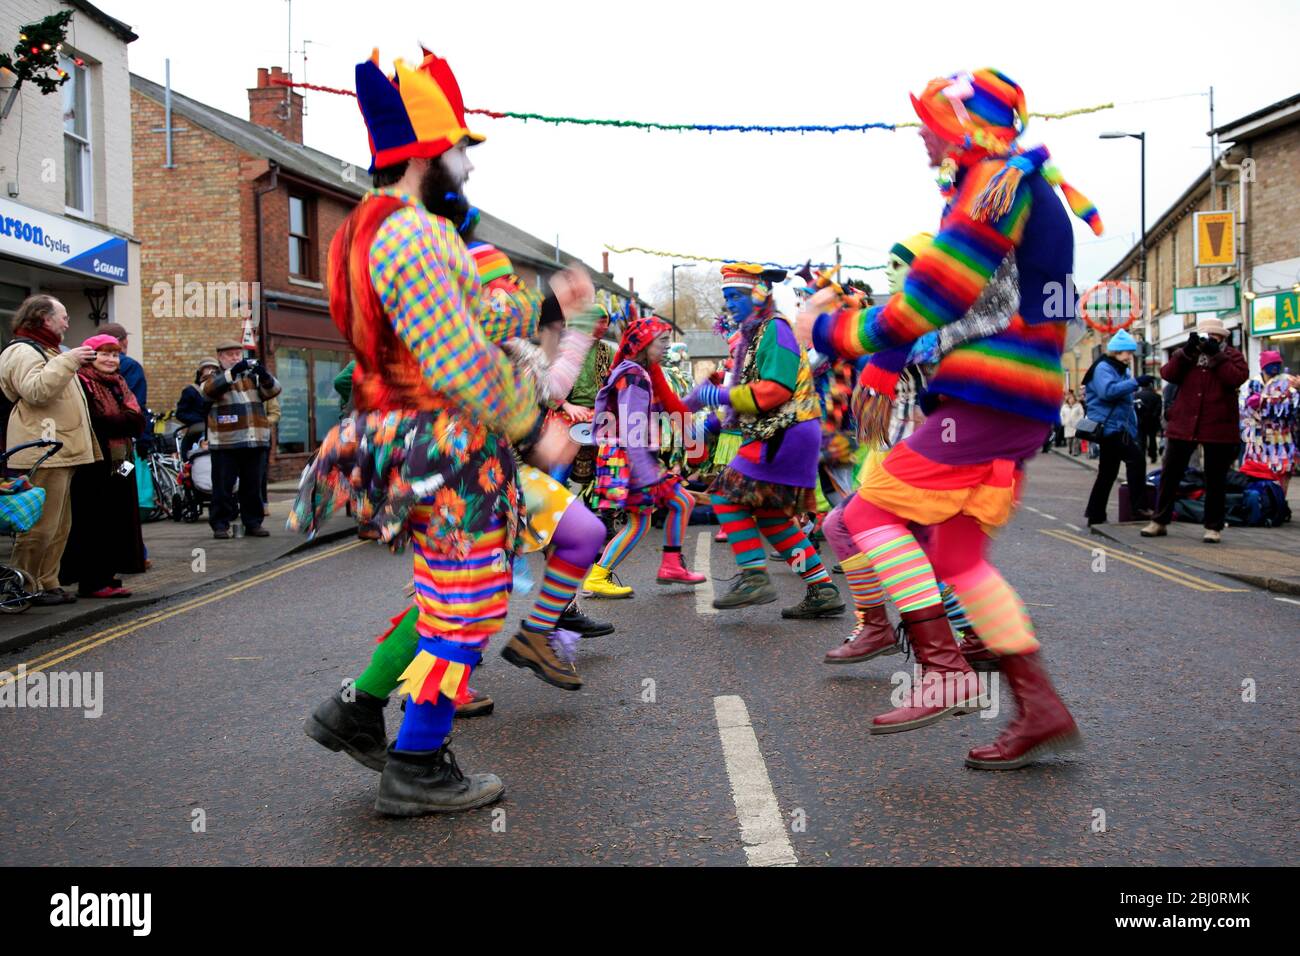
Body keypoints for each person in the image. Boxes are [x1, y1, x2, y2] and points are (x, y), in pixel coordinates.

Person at [290, 47, 570, 816]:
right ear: (424, 153)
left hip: (398, 437)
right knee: (470, 603)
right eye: (457, 150)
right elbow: (457, 359)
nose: (467, 167)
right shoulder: (413, 235)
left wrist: (511, 303)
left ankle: (356, 710)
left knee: (446, 596)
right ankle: (417, 762)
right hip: (442, 444)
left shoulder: (366, 229)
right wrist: (532, 426)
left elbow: (470, 321)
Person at [801, 68, 1097, 768]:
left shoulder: (998, 185)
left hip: (990, 395)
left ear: (966, 125)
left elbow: (935, 293)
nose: (922, 140)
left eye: (929, 125)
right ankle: (1040, 707)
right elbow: (1008, 301)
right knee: (958, 557)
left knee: (866, 517)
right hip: (1014, 401)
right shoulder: (1015, 185)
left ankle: (944, 671)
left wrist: (830, 332)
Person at [687, 263, 845, 619]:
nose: (730, 304)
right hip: (782, 433)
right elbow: (743, 401)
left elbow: (775, 390)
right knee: (772, 517)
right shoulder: (755, 334)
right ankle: (822, 589)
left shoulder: (775, 329)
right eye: (726, 297)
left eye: (736, 296)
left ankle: (754, 576)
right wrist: (705, 425)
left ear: (759, 295)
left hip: (785, 433)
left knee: (726, 495)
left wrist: (713, 396)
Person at [582, 314, 708, 597]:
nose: (667, 346)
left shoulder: (635, 373)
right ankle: (602, 576)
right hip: (631, 460)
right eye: (662, 341)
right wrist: (646, 470)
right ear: (643, 343)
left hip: (629, 459)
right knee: (656, 513)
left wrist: (698, 401)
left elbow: (650, 413)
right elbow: (632, 426)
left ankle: (668, 565)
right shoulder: (634, 376)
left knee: (671, 506)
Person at [0, 295, 98, 605]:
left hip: (59, 451)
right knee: (39, 527)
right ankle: (22, 587)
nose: (68, 322)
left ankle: (46, 581)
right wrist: (69, 361)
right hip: (42, 452)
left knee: (58, 526)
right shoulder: (22, 350)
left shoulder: (49, 351)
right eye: (63, 316)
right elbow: (37, 391)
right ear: (44, 318)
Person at [1142, 318, 1249, 543]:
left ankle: (1213, 527)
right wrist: (1184, 351)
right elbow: (1168, 373)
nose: (1208, 340)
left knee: (1215, 479)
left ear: (1221, 338)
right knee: (1170, 473)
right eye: (1204, 336)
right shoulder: (1189, 357)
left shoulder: (1231, 356)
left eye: (1213, 337)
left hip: (1217, 426)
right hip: (1184, 424)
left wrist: (1216, 356)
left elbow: (1235, 378)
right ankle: (1159, 521)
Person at [59, 334, 146, 597]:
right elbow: (99, 421)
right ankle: (93, 581)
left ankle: (108, 576)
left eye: (115, 354)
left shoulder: (119, 382)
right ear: (91, 356)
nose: (110, 359)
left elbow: (137, 421)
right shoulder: (82, 382)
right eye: (104, 354)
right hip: (95, 462)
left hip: (122, 461)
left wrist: (124, 419)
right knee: (95, 520)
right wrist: (124, 419)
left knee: (120, 515)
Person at [202, 340, 281, 539]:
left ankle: (253, 523)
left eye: (238, 354)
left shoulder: (251, 377)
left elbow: (273, 391)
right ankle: (220, 524)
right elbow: (208, 391)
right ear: (220, 357)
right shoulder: (214, 376)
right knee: (223, 486)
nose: (236, 358)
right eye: (231, 355)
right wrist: (232, 373)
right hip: (225, 441)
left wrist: (264, 375)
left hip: (254, 440)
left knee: (253, 485)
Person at [1082, 330, 1149, 526]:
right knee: (1136, 460)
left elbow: (1125, 402)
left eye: (1131, 352)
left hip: (1119, 427)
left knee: (1108, 472)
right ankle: (1138, 508)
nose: (1129, 356)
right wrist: (1135, 383)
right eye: (1127, 352)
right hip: (1109, 427)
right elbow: (1107, 392)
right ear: (1117, 351)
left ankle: (1095, 514)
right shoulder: (1104, 367)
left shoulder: (1121, 369)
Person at [1240, 349, 1297, 493]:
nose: (1275, 369)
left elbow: (1293, 408)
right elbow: (1244, 410)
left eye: (1277, 365)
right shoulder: (1252, 384)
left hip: (1282, 438)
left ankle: (1280, 505)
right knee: (1259, 474)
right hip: (1258, 439)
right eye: (1272, 365)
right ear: (1263, 366)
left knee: (1282, 472)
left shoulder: (1288, 382)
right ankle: (1265, 505)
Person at [176, 358, 219, 457]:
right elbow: (180, 413)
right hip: (199, 432)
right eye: (208, 368)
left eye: (214, 368)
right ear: (200, 372)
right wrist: (200, 420)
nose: (211, 371)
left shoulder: (221, 390)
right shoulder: (191, 391)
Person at [1134, 374, 1163, 464]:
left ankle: (1142, 455)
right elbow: (1158, 409)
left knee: (1141, 440)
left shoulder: (1137, 395)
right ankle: (1153, 455)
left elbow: (1135, 408)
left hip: (1141, 421)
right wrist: (1153, 416)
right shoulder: (1157, 396)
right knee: (1152, 439)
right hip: (1152, 421)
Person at [1060, 391, 1085, 456]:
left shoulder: (1078, 405)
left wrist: (1080, 421)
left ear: (1074, 399)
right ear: (1068, 400)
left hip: (1076, 424)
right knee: (1069, 440)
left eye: (1072, 399)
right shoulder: (1064, 406)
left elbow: (1081, 413)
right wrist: (1063, 421)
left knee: (1076, 439)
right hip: (1068, 425)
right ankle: (1070, 449)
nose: (1071, 400)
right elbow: (1061, 414)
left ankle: (1075, 452)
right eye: (1070, 399)